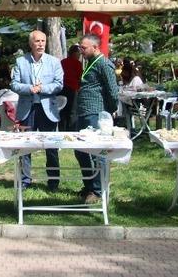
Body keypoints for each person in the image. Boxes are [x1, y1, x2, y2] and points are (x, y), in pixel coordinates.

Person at [10, 30, 64, 191]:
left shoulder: (54, 62)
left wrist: (42, 89)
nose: (41, 44)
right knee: (26, 146)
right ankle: (25, 181)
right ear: (30, 44)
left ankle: (53, 182)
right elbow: (14, 84)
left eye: (43, 41)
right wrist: (29, 89)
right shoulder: (21, 61)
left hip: (48, 110)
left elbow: (59, 84)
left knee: (51, 147)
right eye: (37, 41)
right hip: (28, 109)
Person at [74, 34, 119, 204]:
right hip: (84, 113)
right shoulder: (90, 63)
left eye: (84, 48)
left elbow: (113, 92)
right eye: (80, 48)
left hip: (95, 113)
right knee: (80, 150)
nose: (81, 51)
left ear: (95, 47)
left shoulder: (104, 64)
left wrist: (109, 111)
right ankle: (89, 184)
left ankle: (98, 190)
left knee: (96, 152)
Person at [59, 45, 82, 132]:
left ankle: (62, 130)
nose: (79, 55)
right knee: (72, 112)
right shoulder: (78, 63)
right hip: (73, 89)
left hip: (62, 89)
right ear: (75, 53)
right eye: (78, 53)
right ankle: (71, 131)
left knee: (62, 111)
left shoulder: (62, 62)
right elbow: (79, 77)